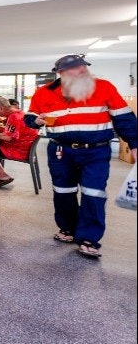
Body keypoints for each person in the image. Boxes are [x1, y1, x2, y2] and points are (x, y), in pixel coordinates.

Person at [25, 54, 138, 258]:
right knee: (63, 191)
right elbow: (30, 118)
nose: (82, 71)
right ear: (61, 73)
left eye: (83, 67)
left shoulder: (103, 87)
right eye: (76, 68)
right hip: (60, 151)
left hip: (95, 151)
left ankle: (89, 238)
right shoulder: (43, 92)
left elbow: (124, 118)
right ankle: (68, 228)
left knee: (94, 192)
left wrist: (135, 144)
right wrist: (36, 121)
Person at [0, 96, 39, 187]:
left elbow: (8, 137)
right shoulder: (19, 113)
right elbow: (12, 131)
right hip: (24, 147)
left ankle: (2, 175)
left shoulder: (14, 117)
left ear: (1, 108)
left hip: (18, 150)